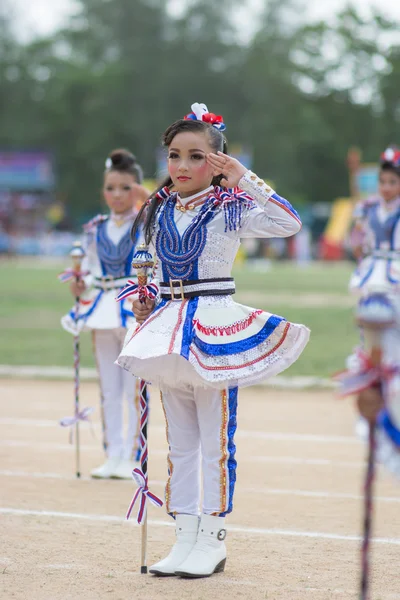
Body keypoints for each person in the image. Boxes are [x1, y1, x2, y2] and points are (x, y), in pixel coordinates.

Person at [117, 103, 310, 578]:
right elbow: (151, 272)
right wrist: (143, 301)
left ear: (218, 161)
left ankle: (212, 538)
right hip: (169, 327)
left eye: (197, 157)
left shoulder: (233, 209)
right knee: (179, 442)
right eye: (175, 155)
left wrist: (244, 177)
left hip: (216, 324)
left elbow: (290, 223)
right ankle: (183, 536)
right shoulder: (157, 211)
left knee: (215, 441)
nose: (182, 166)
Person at [61, 149, 149, 480]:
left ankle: (132, 455)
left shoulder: (146, 225)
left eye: (125, 188)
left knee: (133, 389)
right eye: (111, 188)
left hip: (132, 310)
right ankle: (112, 454)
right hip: (101, 309)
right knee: (109, 388)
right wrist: (78, 284)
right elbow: (86, 270)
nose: (117, 195)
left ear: (138, 190)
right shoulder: (94, 229)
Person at [347, 147, 400, 477]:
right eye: (382, 181)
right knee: (370, 340)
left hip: (394, 276)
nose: (386, 187)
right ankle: (374, 404)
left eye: (392, 181)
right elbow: (357, 237)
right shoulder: (368, 208)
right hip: (372, 276)